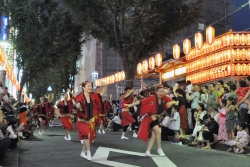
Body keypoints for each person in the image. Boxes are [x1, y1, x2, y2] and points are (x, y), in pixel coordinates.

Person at [126, 85, 177, 157]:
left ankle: (148, 151)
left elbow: (170, 103)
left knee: (154, 135)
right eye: (160, 91)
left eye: (162, 91)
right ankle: (159, 149)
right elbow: (141, 102)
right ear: (156, 92)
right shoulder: (152, 97)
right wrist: (131, 104)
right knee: (159, 131)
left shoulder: (164, 97)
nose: (161, 93)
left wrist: (172, 102)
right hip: (150, 118)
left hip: (156, 118)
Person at [75, 81, 107, 161]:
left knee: (89, 138)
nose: (90, 87)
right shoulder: (81, 96)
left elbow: (102, 93)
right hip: (82, 121)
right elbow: (77, 103)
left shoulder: (93, 96)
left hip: (90, 120)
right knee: (86, 135)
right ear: (83, 88)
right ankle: (89, 153)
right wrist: (78, 106)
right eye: (88, 86)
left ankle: (83, 153)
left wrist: (105, 86)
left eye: (91, 86)